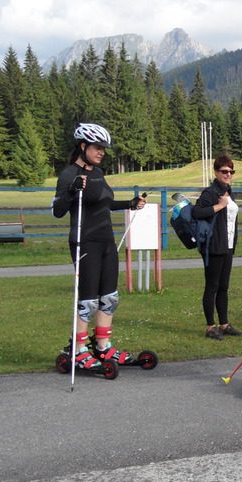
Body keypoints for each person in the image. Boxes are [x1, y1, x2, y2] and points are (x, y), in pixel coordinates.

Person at [52, 123, 147, 370]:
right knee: (88, 300)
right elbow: (57, 211)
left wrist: (130, 203)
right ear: (83, 146)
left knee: (110, 297)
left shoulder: (99, 172)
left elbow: (104, 203)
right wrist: (72, 191)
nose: (101, 152)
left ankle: (103, 346)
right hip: (85, 242)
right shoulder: (69, 174)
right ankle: (78, 349)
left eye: (104, 148)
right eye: (97, 147)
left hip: (106, 241)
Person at [193, 155, 242, 340]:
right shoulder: (210, 193)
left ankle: (224, 324)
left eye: (231, 171)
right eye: (224, 171)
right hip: (213, 246)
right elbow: (197, 212)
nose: (228, 174)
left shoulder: (229, 191)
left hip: (228, 246)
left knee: (224, 287)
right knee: (212, 286)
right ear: (216, 172)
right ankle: (210, 326)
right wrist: (219, 206)